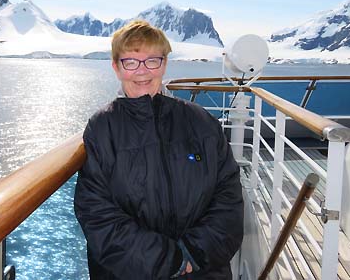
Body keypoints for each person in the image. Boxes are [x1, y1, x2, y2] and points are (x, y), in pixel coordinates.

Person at [74, 20, 243, 279]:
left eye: (152, 60)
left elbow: (228, 198)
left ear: (164, 64)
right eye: (130, 62)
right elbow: (96, 213)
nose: (142, 71)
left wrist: (192, 254)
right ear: (116, 68)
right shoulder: (102, 129)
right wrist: (169, 260)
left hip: (203, 270)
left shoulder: (201, 122)